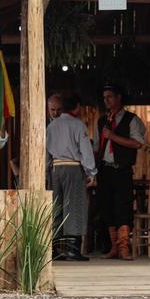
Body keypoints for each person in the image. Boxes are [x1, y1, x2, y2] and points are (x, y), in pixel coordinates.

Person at [92, 84, 146, 260]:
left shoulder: (132, 119)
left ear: (119, 97)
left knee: (123, 206)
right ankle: (114, 247)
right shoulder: (101, 121)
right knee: (106, 207)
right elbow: (95, 147)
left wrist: (113, 136)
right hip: (104, 169)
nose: (106, 100)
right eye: (104, 97)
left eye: (109, 96)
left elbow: (138, 143)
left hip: (122, 169)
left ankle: (124, 248)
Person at [46, 94, 96, 261]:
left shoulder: (51, 126)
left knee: (57, 207)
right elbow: (86, 150)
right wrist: (91, 172)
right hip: (73, 167)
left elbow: (46, 151)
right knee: (74, 205)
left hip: (55, 168)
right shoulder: (77, 125)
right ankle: (72, 250)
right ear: (76, 107)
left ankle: (55, 249)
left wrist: (47, 170)